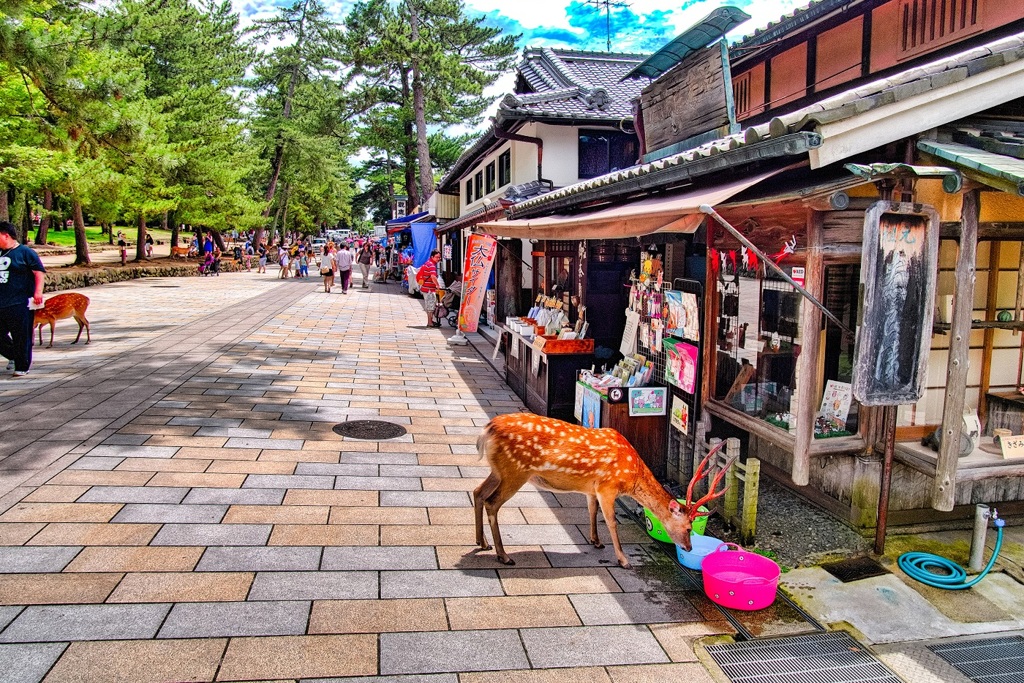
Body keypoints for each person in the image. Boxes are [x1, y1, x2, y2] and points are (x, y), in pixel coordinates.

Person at [0, 221, 46, 377]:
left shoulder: (25, 252)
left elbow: (39, 273)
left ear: (5, 235)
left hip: (20, 302)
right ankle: (13, 354)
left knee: (21, 335)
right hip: (1, 302)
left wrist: (38, 292)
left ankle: (22, 366)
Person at [416, 249, 442, 327]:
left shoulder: (427, 263)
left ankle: (430, 321)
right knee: (430, 306)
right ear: (432, 257)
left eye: (439, 257)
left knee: (429, 305)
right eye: (437, 257)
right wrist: (437, 285)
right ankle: (430, 323)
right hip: (429, 289)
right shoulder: (431, 265)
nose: (438, 259)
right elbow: (433, 276)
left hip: (425, 288)